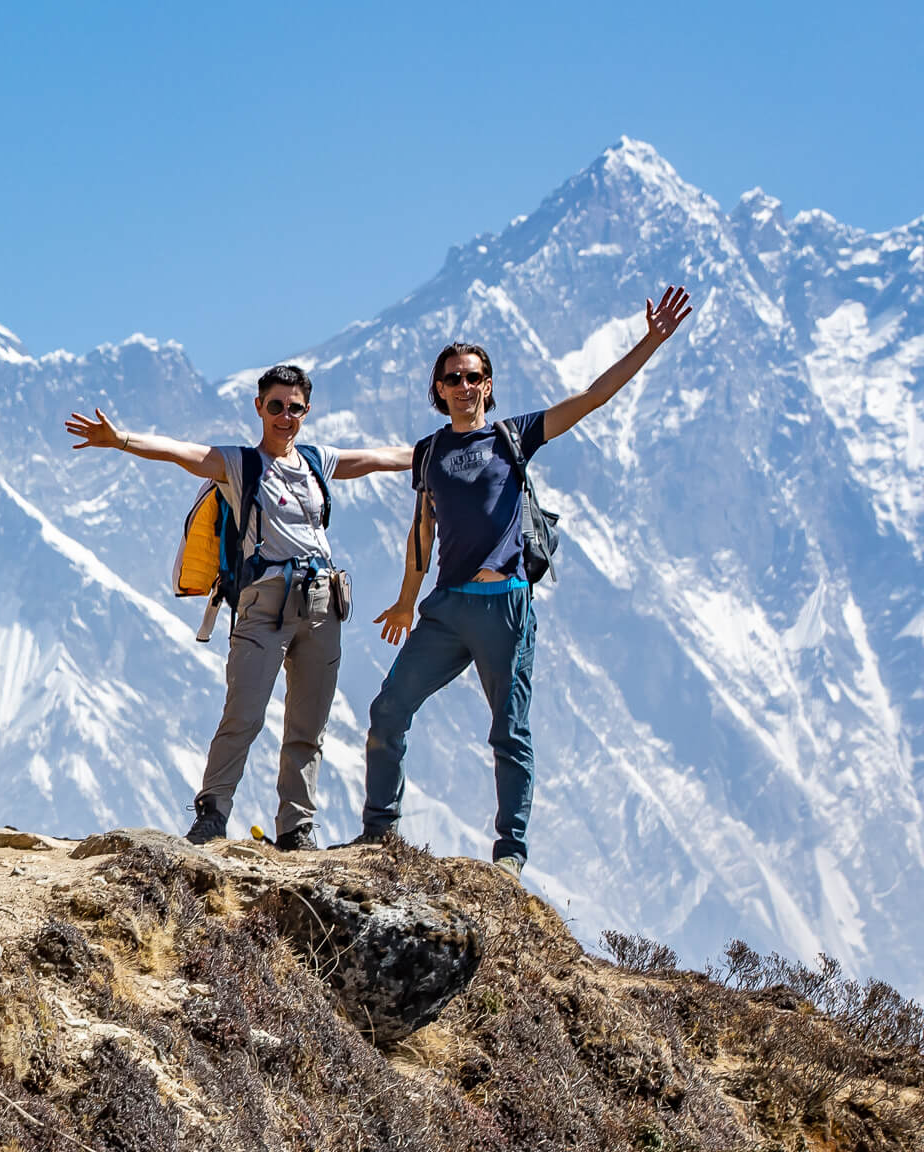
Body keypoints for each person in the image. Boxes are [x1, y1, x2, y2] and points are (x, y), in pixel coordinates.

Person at [351, 285, 696, 877]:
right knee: (388, 710)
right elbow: (422, 531)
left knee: (508, 731)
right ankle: (379, 835)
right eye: (452, 378)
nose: (464, 386)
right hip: (446, 607)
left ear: (488, 383)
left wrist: (651, 341)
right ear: (438, 390)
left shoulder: (514, 437)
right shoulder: (429, 451)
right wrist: (407, 601)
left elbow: (592, 398)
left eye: (474, 376)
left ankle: (509, 853)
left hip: (505, 606)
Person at [66, 365, 412, 848]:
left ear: (306, 412)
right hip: (264, 604)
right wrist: (120, 438)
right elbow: (180, 453)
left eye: (294, 408)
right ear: (259, 408)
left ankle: (297, 828)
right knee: (243, 714)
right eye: (276, 406)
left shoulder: (317, 461)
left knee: (308, 724)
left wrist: (444, 450)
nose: (285, 416)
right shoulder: (238, 463)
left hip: (322, 604)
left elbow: (378, 459)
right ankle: (212, 813)